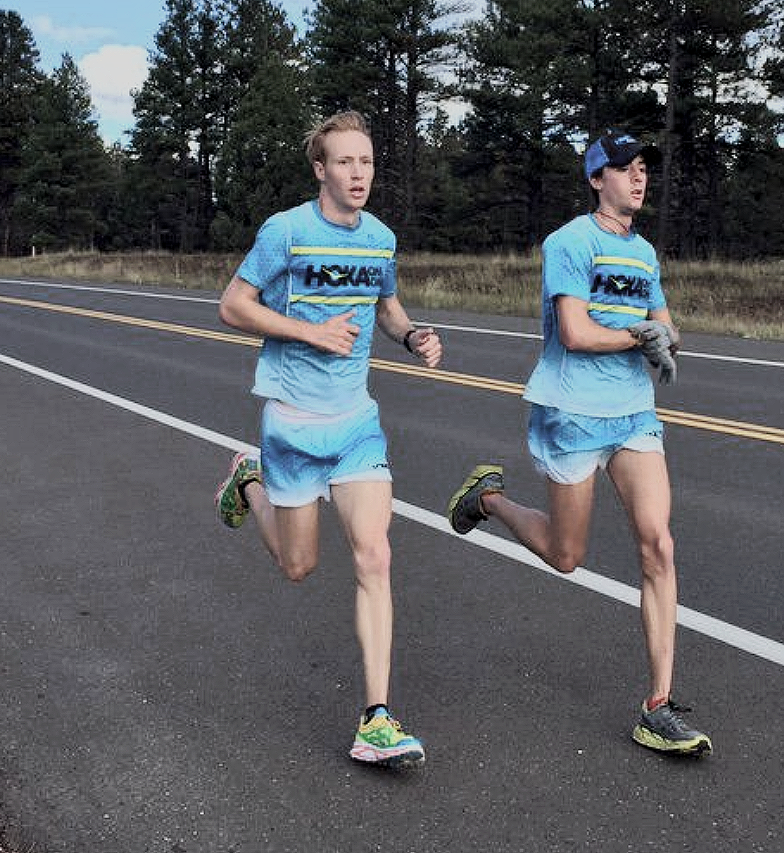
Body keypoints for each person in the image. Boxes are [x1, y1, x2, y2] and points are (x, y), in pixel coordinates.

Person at [446, 130, 711, 756]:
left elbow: (666, 321)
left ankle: (658, 706)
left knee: (659, 545)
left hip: (632, 416)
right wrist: (639, 338)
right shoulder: (569, 243)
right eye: (625, 169)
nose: (638, 178)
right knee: (567, 556)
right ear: (598, 180)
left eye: (643, 167)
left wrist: (665, 342)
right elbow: (574, 331)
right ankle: (489, 500)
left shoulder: (644, 252)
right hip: (572, 411)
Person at [213, 110, 442, 768]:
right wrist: (310, 333)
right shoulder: (286, 231)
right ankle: (247, 480)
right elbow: (232, 305)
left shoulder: (379, 238)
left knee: (375, 557)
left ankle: (377, 717)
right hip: (290, 423)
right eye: (344, 162)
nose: (358, 172)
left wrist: (413, 335)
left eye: (366, 161)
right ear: (321, 169)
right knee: (297, 566)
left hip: (354, 426)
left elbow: (387, 304)